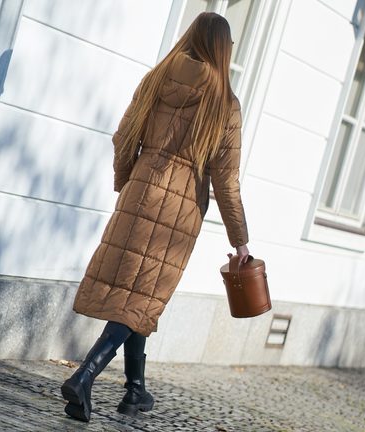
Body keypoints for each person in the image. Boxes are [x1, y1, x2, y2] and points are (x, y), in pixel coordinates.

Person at [60, 11, 249, 423]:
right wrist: (240, 241)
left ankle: (135, 391)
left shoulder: (156, 80)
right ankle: (84, 377)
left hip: (139, 193)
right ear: (222, 50)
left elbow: (123, 137)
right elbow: (226, 182)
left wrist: (126, 183)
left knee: (139, 300)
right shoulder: (225, 105)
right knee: (140, 301)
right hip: (179, 214)